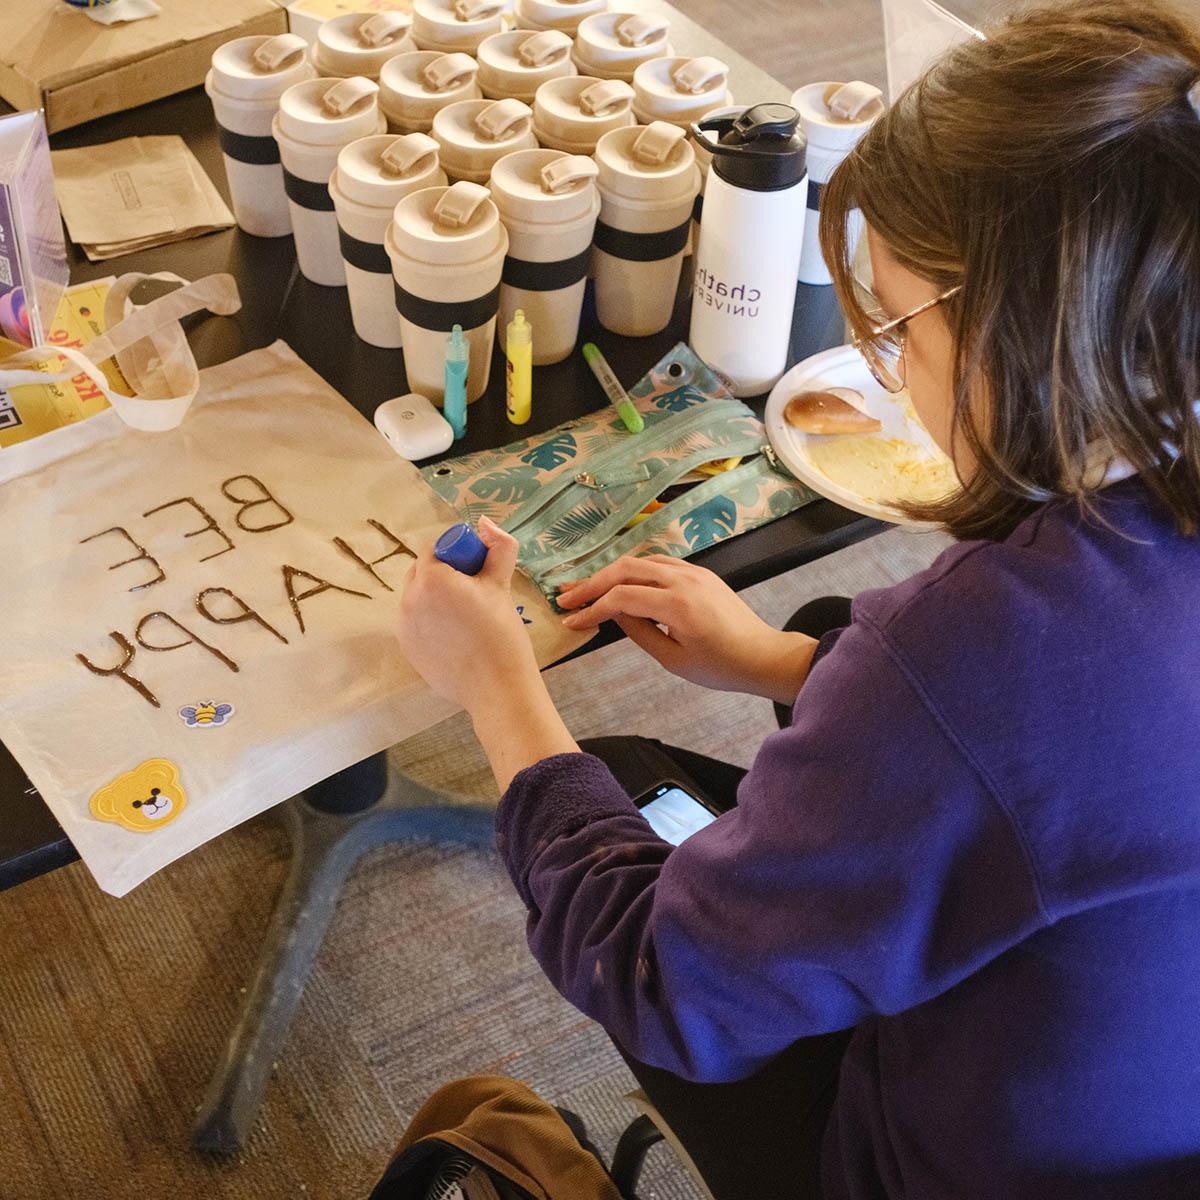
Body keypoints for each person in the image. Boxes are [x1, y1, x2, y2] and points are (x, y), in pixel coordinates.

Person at [395, 1, 1200, 1195]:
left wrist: (498, 688)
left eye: (898, 331)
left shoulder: (978, 651)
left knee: (600, 778)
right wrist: (784, 663)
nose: (893, 380)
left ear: (1015, 328)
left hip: (953, 1161)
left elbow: (664, 987)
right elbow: (1060, 778)